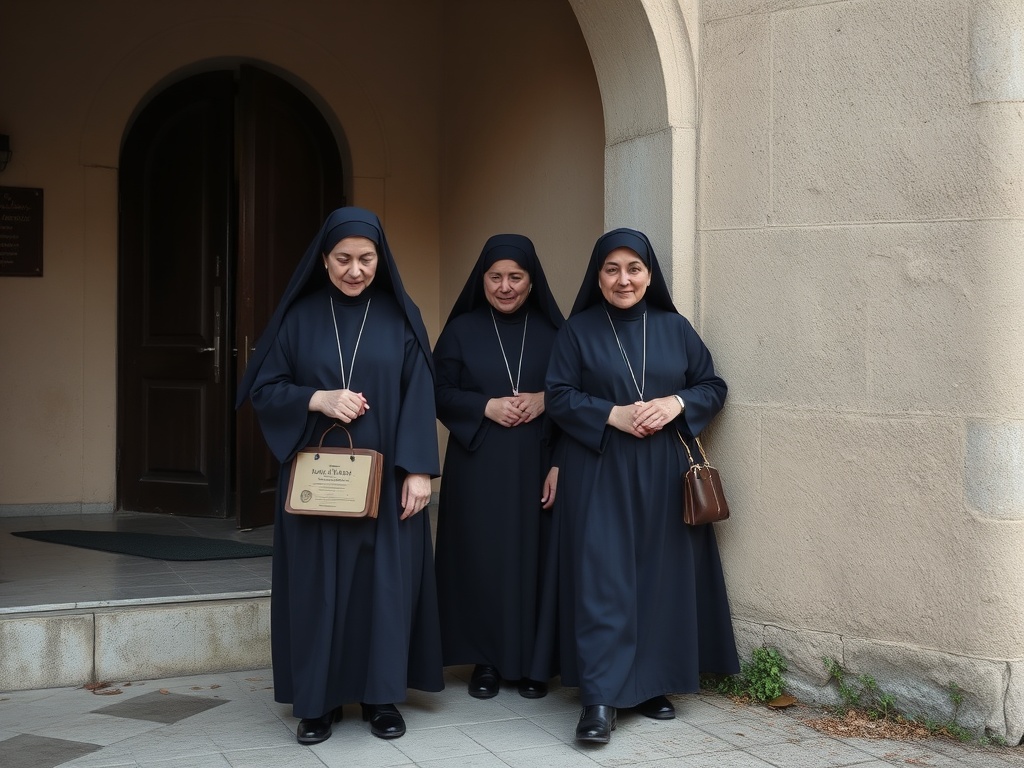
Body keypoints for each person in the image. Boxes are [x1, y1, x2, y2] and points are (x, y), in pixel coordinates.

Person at [236, 207, 443, 745]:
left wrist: (418, 471)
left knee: (383, 589)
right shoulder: (299, 318)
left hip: (387, 478)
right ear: (324, 259)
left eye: (366, 259)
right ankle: (318, 703)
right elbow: (265, 389)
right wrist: (317, 398)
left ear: (381, 259)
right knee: (316, 590)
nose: (355, 270)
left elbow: (421, 393)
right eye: (344, 258)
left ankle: (381, 698)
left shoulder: (400, 317)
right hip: (318, 481)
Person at [530, 227, 739, 744]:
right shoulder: (578, 331)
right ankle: (600, 699)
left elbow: (712, 385)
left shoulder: (675, 327)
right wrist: (613, 414)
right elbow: (558, 396)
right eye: (612, 270)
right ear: (598, 276)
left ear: (649, 275)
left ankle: (651, 685)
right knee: (603, 581)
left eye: (634, 269)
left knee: (659, 577)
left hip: (664, 472)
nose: (623, 280)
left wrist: (675, 403)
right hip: (597, 467)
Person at [433, 234, 564, 700]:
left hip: (538, 462)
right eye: (495, 277)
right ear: (482, 279)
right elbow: (436, 390)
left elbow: (581, 392)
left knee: (534, 559)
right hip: (478, 464)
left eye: (515, 277)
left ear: (531, 281)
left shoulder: (555, 333)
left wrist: (545, 399)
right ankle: (485, 660)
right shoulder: (461, 330)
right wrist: (485, 406)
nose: (505, 286)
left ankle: (534, 663)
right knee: (482, 558)